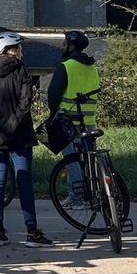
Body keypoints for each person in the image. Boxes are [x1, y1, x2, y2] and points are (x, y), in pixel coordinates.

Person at [0, 31, 52, 248]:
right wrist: (11, 126)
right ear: (11, 51)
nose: (22, 52)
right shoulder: (22, 71)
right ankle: (32, 232)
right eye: (19, 48)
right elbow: (25, 104)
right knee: (24, 180)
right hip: (21, 136)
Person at [47, 30, 100, 208]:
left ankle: (76, 198)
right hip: (89, 121)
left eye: (64, 44)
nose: (62, 47)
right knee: (89, 160)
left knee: (73, 160)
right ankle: (93, 196)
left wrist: (54, 111)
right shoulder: (92, 68)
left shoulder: (67, 66)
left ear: (71, 46)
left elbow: (53, 95)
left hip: (70, 122)